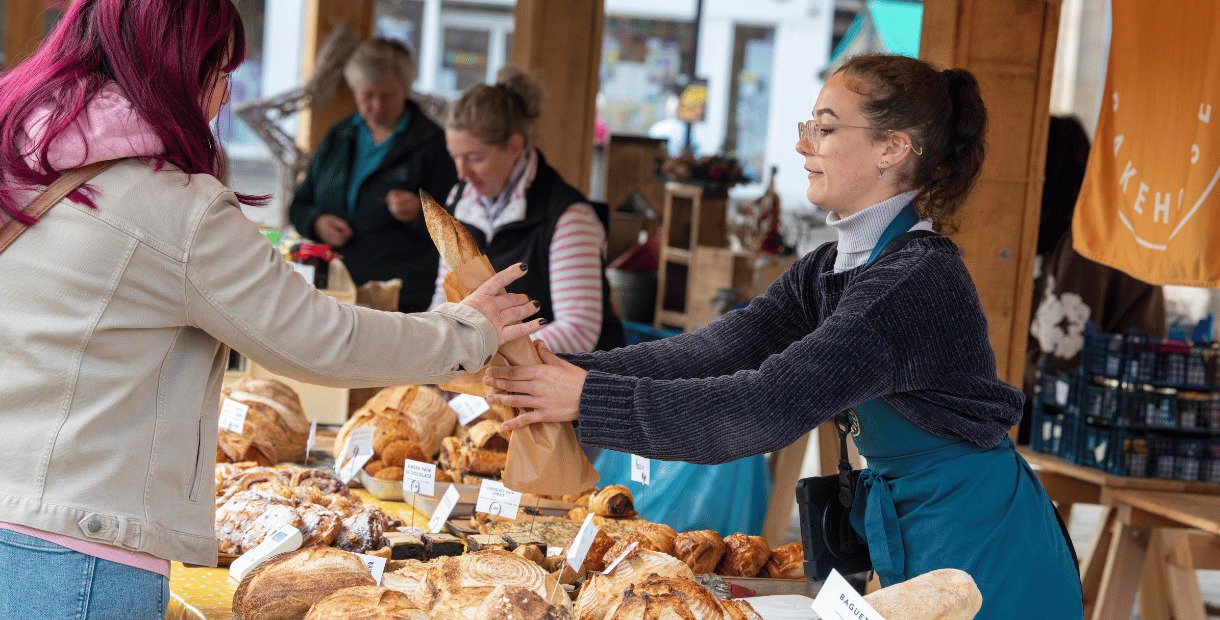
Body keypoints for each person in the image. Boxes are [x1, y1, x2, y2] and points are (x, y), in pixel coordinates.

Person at [484, 54, 1084, 619]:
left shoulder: (912, 282)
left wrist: (585, 398)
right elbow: (710, 353)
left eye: (823, 129)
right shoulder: (830, 268)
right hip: (908, 531)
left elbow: (763, 407)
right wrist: (558, 369)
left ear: (892, 149)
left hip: (987, 549)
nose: (802, 145)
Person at [0, 2, 540, 617]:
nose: (226, 92)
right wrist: (466, 331)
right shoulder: (172, 204)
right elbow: (319, 339)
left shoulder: (21, 156)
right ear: (176, 68)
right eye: (219, 70)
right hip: (81, 546)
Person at [431, 66, 625, 354]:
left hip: (572, 380)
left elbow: (578, 329)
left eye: (474, 158)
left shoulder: (569, 217)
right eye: (455, 158)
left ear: (513, 146)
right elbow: (444, 293)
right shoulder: (459, 200)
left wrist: (487, 354)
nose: (462, 173)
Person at [1021, 116, 1165, 442]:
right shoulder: (1099, 230)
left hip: (1096, 419)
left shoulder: (1084, 243)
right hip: (1109, 410)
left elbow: (1059, 369)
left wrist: (1000, 355)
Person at [289, 38, 457, 313]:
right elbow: (299, 204)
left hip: (402, 297)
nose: (377, 106)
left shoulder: (432, 143)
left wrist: (420, 212)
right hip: (333, 289)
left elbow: (457, 223)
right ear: (355, 91)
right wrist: (316, 222)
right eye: (368, 95)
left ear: (405, 90)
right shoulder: (338, 136)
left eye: (387, 95)